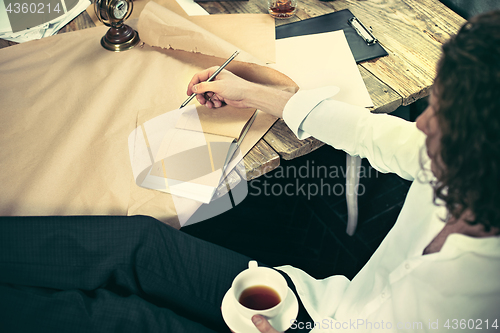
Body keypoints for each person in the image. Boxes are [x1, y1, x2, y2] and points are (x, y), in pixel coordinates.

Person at [1, 10, 499, 333]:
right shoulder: (461, 165)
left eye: (443, 119)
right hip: (311, 302)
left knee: (115, 318)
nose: (424, 123)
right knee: (138, 242)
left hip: (298, 328)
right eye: (434, 104)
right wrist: (255, 94)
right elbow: (373, 135)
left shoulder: (473, 293)